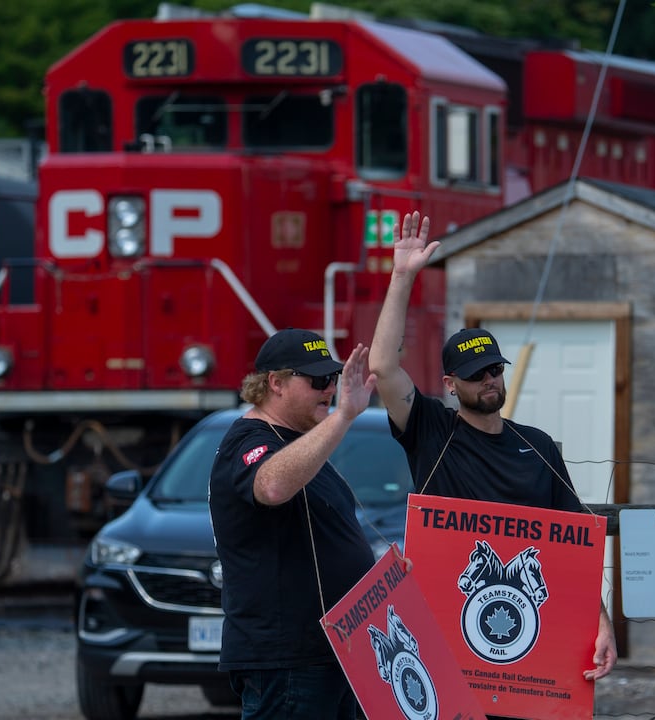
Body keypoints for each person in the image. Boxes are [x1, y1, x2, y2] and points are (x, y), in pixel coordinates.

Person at [367, 211, 617, 696]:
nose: (488, 381)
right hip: (446, 628)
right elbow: (381, 364)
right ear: (450, 384)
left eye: (494, 370)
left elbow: (575, 545)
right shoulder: (430, 429)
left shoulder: (538, 445)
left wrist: (601, 623)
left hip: (530, 637)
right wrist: (403, 276)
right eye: (476, 374)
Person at [208, 328, 380, 720]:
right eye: (318, 380)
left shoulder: (297, 444)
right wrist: (344, 416)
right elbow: (271, 485)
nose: (330, 389)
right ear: (276, 383)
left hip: (332, 652)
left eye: (333, 379)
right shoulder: (247, 439)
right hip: (287, 660)